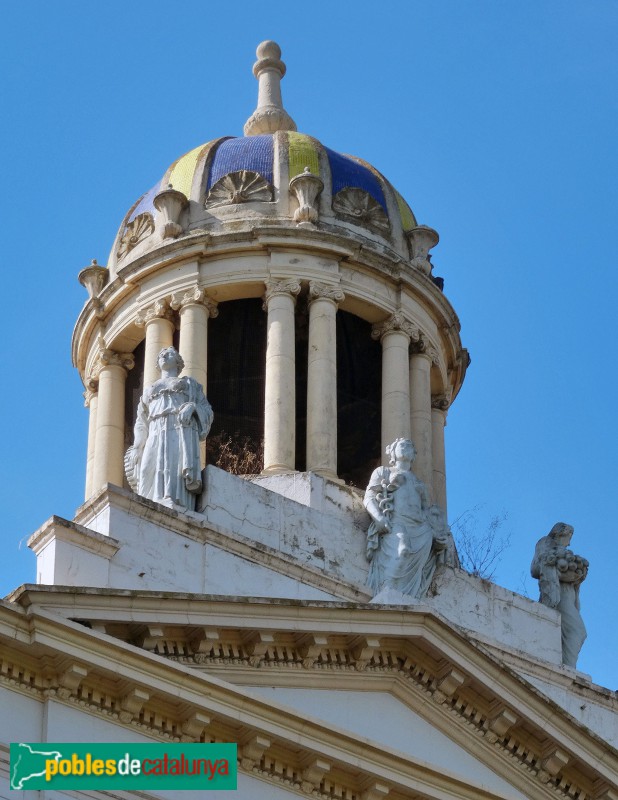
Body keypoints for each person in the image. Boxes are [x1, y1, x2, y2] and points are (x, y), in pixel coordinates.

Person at [125, 347, 213, 510]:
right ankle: (146, 506)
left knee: (174, 469)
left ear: (179, 362)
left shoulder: (189, 385)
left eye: (169, 353)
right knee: (146, 470)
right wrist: (137, 446)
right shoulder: (148, 391)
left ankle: (176, 502)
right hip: (155, 430)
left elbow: (206, 410)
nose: (164, 355)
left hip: (178, 429)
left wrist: (192, 407)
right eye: (160, 355)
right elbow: (141, 422)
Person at [364, 438, 446, 598]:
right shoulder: (384, 472)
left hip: (421, 530)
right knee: (402, 550)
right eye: (402, 445)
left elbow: (425, 511)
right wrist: (378, 517)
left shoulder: (418, 483)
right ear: (392, 453)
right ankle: (386, 594)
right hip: (396, 523)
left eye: (410, 446)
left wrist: (437, 533)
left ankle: (407, 598)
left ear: (414, 455)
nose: (407, 447)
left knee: (415, 566)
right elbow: (369, 496)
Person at [531, 522, 588, 667]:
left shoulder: (564, 553)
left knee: (574, 633)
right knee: (577, 631)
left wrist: (576, 577)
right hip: (558, 594)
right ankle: (568, 670)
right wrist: (556, 567)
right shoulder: (545, 542)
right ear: (559, 533)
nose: (569, 543)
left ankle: (565, 667)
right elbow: (535, 569)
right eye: (569, 537)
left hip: (569, 594)